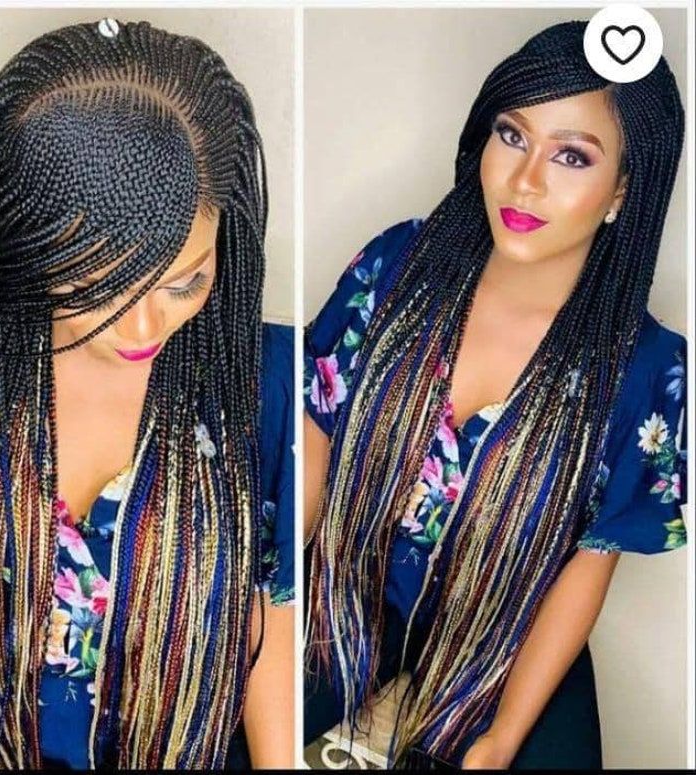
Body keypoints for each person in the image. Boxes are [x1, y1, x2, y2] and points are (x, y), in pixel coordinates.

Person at [0, 19, 294, 769]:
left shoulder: (262, 378)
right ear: (24, 247)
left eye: (184, 282)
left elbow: (273, 616)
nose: (145, 327)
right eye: (97, 286)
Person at [304, 20, 686, 770]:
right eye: (513, 136)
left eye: (572, 155)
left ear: (621, 191)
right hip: (345, 589)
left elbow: (591, 561)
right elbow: (317, 424)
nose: (527, 180)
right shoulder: (398, 265)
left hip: (512, 630)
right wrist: (276, 591)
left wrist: (502, 737)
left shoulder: (647, 369)